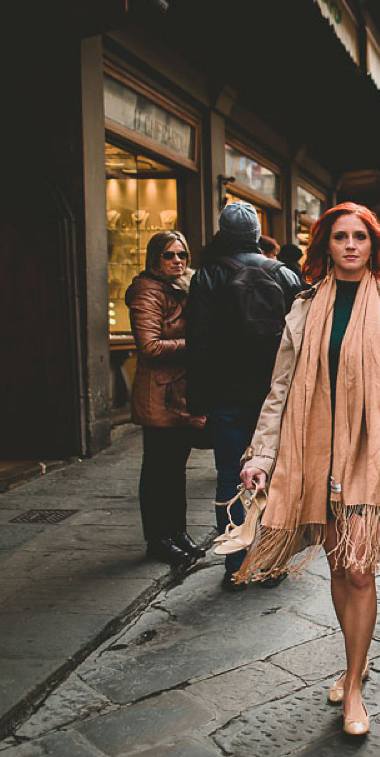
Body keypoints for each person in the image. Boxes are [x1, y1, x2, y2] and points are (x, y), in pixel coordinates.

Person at [236, 202, 380, 737]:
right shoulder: (305, 307)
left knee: (361, 570)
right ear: (325, 246)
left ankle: (354, 686)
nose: (352, 245)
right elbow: (281, 388)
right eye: (341, 237)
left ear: (375, 245)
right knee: (338, 568)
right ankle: (352, 661)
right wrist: (261, 455)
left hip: (374, 452)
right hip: (313, 453)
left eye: (361, 236)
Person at [186, 201, 304, 592]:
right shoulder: (285, 275)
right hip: (277, 395)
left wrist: (197, 402)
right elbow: (301, 342)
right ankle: (271, 561)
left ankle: (235, 563)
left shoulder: (207, 276)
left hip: (225, 394)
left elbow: (198, 343)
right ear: (256, 234)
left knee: (228, 477)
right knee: (277, 477)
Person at [125, 231, 209, 567]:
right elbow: (150, 346)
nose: (177, 261)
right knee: (158, 470)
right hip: (158, 393)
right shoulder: (147, 291)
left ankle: (177, 532)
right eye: (169, 255)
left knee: (176, 469)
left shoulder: (186, 286)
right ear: (155, 258)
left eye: (182, 255)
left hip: (181, 393)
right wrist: (197, 344)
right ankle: (158, 539)